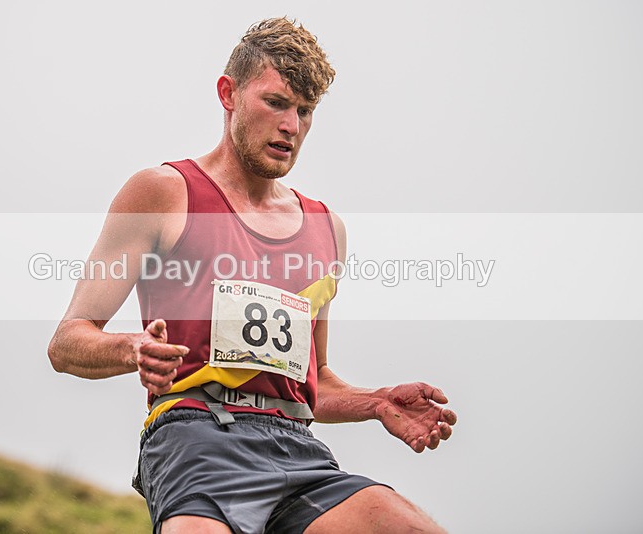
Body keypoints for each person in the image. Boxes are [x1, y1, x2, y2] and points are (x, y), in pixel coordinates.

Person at [48, 17, 457, 534]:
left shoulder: (326, 227)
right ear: (229, 93)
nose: (292, 126)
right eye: (277, 103)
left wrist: (375, 402)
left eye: (306, 112)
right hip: (196, 440)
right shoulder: (163, 192)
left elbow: (313, 382)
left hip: (298, 450)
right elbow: (66, 342)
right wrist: (134, 349)